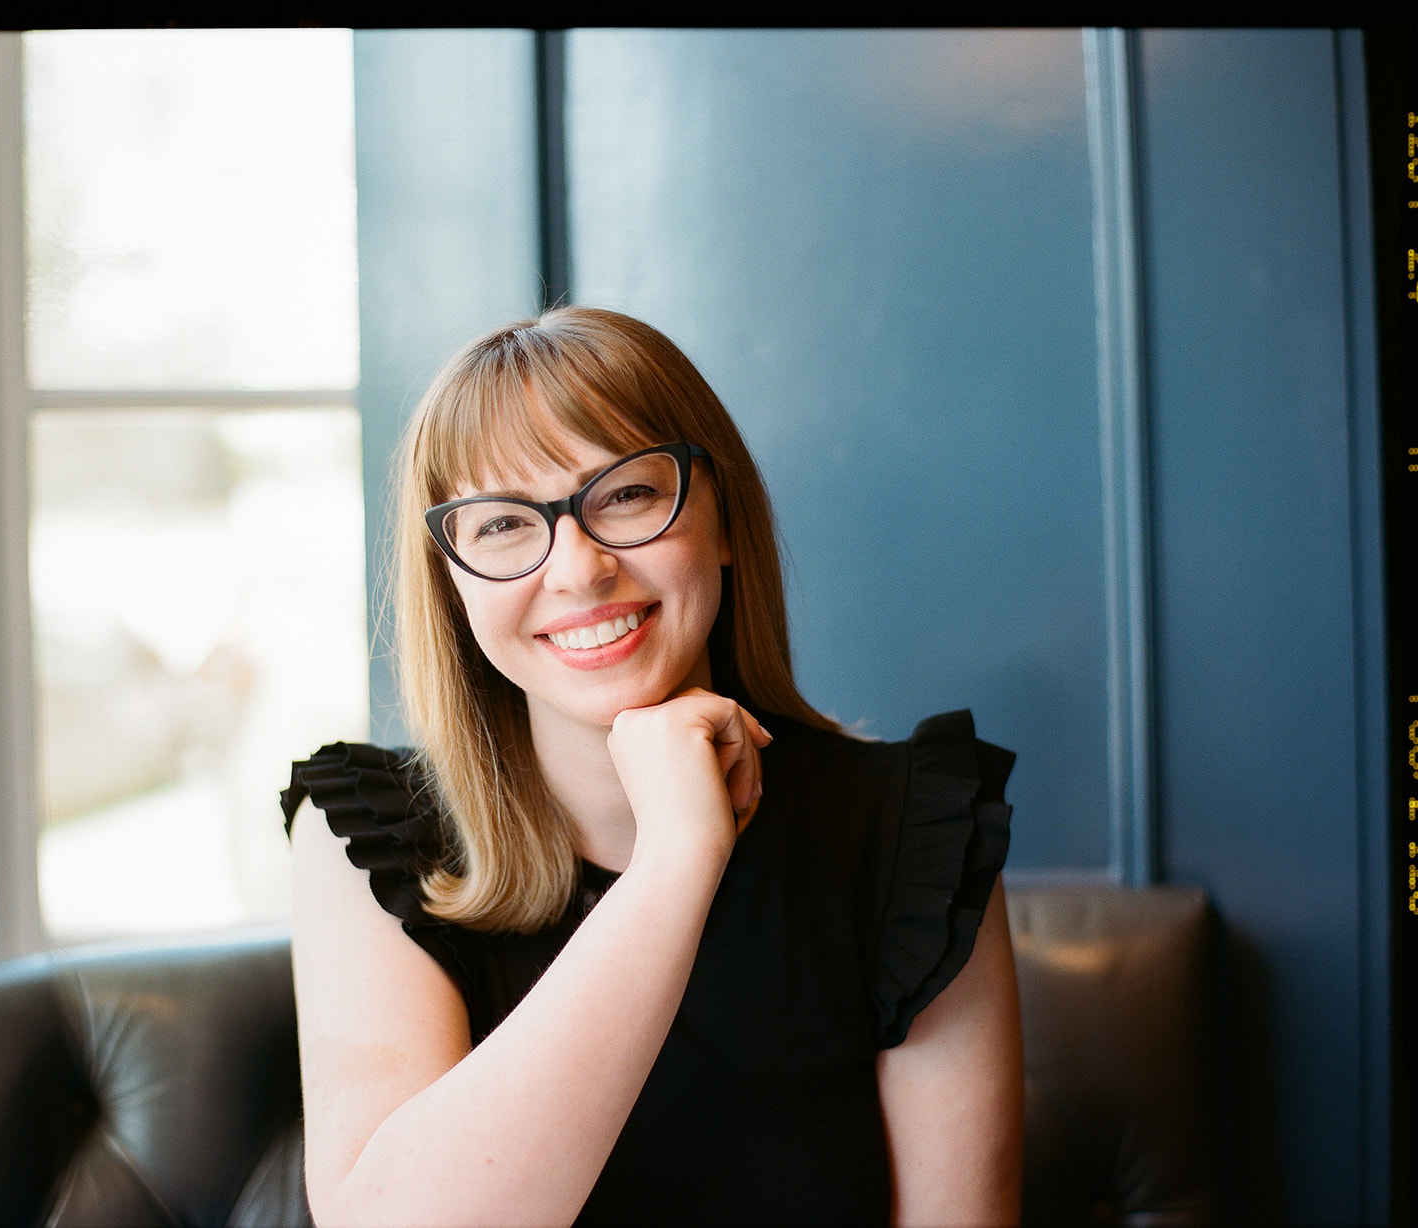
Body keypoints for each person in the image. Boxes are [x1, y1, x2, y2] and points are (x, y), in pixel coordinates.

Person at [284, 306, 1023, 1227]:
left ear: (722, 519)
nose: (579, 568)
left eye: (627, 494)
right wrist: (675, 861)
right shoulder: (370, 835)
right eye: (505, 524)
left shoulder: (914, 835)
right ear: (454, 581)